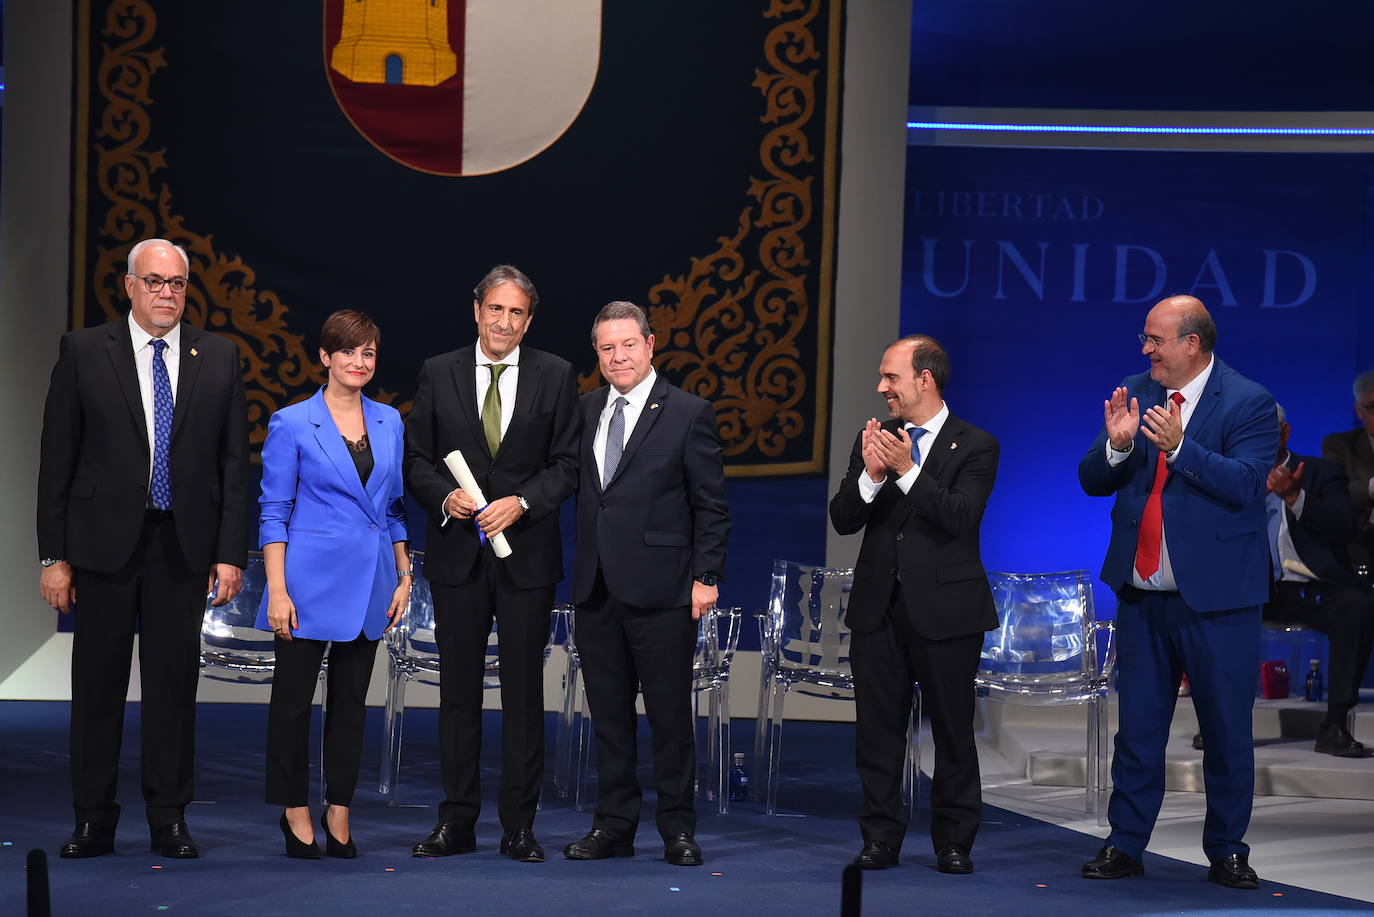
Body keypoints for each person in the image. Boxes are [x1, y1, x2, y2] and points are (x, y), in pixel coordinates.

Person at [37, 238, 249, 859]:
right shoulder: (82, 351)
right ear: (129, 286)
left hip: (181, 549)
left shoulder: (218, 356)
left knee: (172, 689)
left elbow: (233, 463)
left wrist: (229, 552)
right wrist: (53, 557)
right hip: (100, 548)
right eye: (154, 281)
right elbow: (57, 461)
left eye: (177, 284)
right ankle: (92, 820)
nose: (166, 293)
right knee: (97, 687)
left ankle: (168, 818)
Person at [1078, 295, 1275, 890]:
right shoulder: (1135, 388)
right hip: (1143, 596)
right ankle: (1126, 844)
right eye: (1145, 339)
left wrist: (1180, 450)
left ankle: (1227, 850)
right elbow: (1091, 479)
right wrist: (1116, 445)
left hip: (1218, 601)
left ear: (1193, 344)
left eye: (1155, 340)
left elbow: (1245, 485)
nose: (1145, 351)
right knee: (1137, 730)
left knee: (1225, 730)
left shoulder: (1248, 401)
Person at [404, 265, 580, 863]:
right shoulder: (438, 371)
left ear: (529, 320)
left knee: (524, 696)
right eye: (496, 309)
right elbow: (416, 460)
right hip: (458, 558)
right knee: (457, 694)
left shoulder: (556, 375)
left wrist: (523, 501)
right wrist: (443, 498)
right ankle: (455, 822)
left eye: (517, 313)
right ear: (476, 310)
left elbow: (568, 464)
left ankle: (519, 827)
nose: (505, 322)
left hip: (526, 559)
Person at [564, 301, 730, 867]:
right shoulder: (583, 410)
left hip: (665, 589)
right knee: (608, 718)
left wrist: (706, 577)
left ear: (650, 345)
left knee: (669, 719)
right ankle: (614, 826)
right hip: (596, 588)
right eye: (607, 348)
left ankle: (677, 829)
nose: (618, 357)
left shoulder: (687, 412)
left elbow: (711, 504)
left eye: (627, 345)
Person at [829, 334, 999, 875]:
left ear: (924, 379)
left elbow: (957, 517)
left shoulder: (976, 444)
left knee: (952, 731)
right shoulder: (874, 439)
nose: (881, 387)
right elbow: (843, 518)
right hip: (879, 610)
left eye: (891, 377)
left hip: (948, 613)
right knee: (877, 732)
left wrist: (906, 471)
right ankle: (880, 839)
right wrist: (872, 477)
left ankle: (953, 842)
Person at [256, 310, 410, 859]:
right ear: (325, 357)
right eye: (348, 352)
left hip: (372, 582)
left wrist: (404, 574)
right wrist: (276, 590)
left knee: (350, 705)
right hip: (305, 585)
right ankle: (294, 808)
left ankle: (339, 808)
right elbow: (273, 511)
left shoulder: (391, 420)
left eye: (368, 352)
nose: (359, 362)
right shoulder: (292, 422)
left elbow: (392, 508)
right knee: (293, 704)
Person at [1264, 404, 1372, 757]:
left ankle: (1335, 725)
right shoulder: (1235, 477)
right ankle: (1219, 725)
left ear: (1284, 433)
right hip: (1255, 587)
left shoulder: (1321, 472)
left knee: (1356, 605)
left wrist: (1294, 497)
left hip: (1312, 586)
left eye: (1268, 430)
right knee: (1211, 607)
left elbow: (1343, 525)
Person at [1320, 369, 1374, 578]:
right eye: (1373, 407)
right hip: (1362, 549)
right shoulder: (1340, 445)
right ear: (1359, 410)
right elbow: (1339, 492)